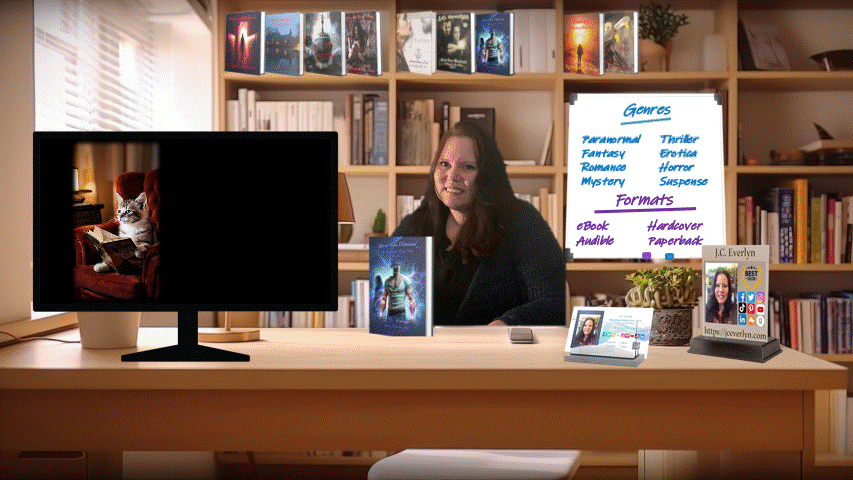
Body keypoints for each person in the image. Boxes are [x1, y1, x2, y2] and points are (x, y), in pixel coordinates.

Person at [393, 122, 565, 326]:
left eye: (467, 167)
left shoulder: (523, 221)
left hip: (499, 354)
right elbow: (391, 312)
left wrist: (502, 326)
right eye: (444, 164)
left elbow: (553, 304)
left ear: (487, 176)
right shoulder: (414, 225)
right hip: (426, 355)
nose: (452, 176)